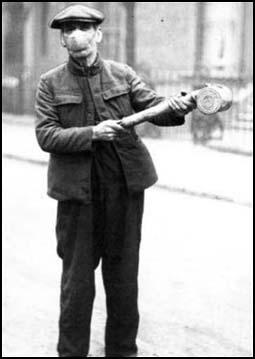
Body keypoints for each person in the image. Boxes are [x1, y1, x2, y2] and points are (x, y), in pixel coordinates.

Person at [35, 4, 195, 357]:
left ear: (98, 35)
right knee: (77, 288)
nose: (75, 35)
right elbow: (46, 135)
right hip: (78, 196)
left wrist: (179, 105)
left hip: (123, 190)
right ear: (62, 40)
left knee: (123, 284)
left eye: (83, 28)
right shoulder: (50, 83)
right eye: (68, 29)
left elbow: (154, 106)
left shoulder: (122, 75)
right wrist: (92, 132)